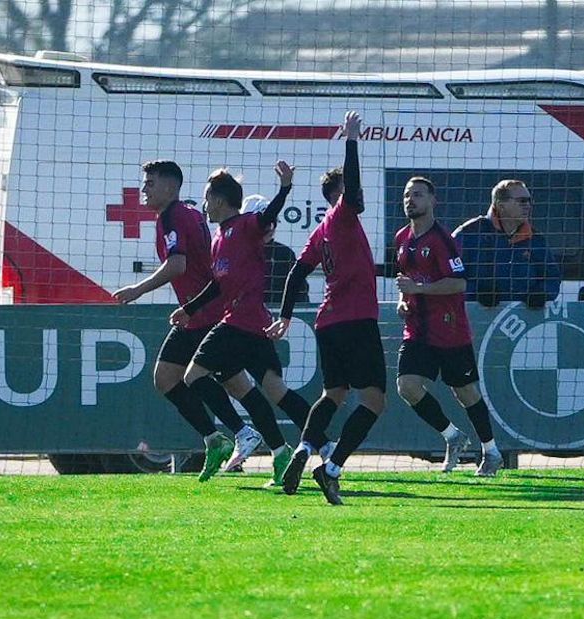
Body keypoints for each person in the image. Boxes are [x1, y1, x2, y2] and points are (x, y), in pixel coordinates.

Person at [172, 163, 323, 486]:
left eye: (206, 197)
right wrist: (190, 308)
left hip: (240, 322)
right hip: (252, 325)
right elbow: (217, 285)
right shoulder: (218, 238)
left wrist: (284, 188)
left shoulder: (244, 225)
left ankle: (230, 436)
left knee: (193, 376)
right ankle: (283, 451)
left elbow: (267, 217)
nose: (204, 205)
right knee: (269, 390)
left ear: (219, 200)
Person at [267, 111, 385, 505]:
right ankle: (331, 466)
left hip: (328, 321)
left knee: (333, 393)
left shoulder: (320, 231)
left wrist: (284, 316)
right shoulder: (345, 213)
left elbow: (296, 273)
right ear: (339, 194)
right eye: (351, 189)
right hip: (356, 320)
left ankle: (303, 450)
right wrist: (351, 140)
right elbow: (352, 189)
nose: (359, 194)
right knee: (373, 400)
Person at [110, 160, 255, 477]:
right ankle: (219, 438)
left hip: (202, 312)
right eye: (144, 182)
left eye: (150, 182)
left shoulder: (173, 215)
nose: (144, 189)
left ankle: (244, 435)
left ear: (170, 186)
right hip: (202, 310)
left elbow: (177, 264)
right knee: (174, 378)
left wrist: (138, 288)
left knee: (207, 378)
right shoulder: (186, 213)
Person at [393, 176, 503, 477]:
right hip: (417, 330)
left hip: (449, 330)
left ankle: (491, 451)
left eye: (417, 194)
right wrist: (403, 299)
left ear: (432, 201)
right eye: (406, 195)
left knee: (465, 391)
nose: (410, 200)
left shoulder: (442, 240)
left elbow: (458, 282)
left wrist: (418, 290)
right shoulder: (402, 238)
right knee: (407, 386)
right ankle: (453, 436)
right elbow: (407, 280)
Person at [452, 179, 561, 309]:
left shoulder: (536, 240)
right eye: (521, 201)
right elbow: (448, 274)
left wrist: (542, 293)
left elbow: (552, 277)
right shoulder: (469, 234)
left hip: (522, 321)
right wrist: (475, 293)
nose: (528, 205)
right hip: (475, 317)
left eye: (529, 200)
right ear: (501, 205)